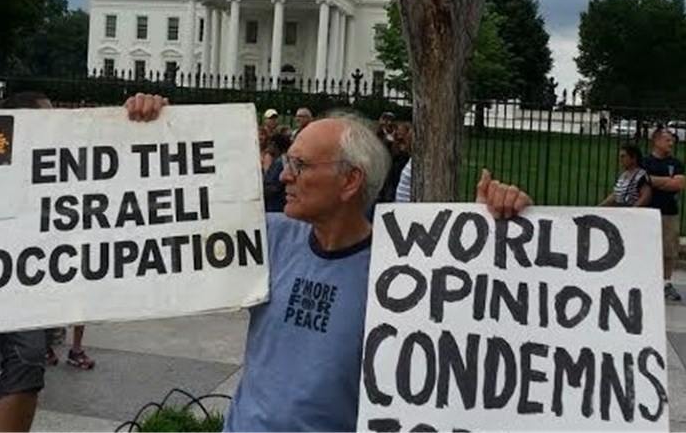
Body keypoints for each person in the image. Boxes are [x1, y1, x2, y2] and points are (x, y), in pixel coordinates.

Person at [124, 93, 533, 431]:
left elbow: (489, 336)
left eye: (299, 165)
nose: (284, 176)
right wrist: (155, 132)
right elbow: (170, 225)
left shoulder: (404, 272)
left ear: (350, 181)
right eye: (287, 163)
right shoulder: (272, 236)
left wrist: (501, 230)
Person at [0, 91, 52, 432]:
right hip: (5, 279)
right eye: (46, 118)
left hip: (30, 275)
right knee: (26, 359)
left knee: (11, 366)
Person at [643, 129, 686, 302]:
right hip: (647, 211)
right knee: (646, 249)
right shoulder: (645, 162)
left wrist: (652, 181)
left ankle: (666, 282)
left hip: (669, 212)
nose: (671, 143)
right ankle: (646, 280)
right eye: (668, 140)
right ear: (657, 141)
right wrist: (667, 181)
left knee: (669, 251)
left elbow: (679, 184)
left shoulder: (676, 163)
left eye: (672, 140)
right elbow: (639, 181)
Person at [600, 143, 652, 208]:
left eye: (623, 156)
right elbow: (615, 195)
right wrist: (600, 206)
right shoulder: (623, 176)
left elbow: (646, 197)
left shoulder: (641, 175)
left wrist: (633, 209)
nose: (620, 159)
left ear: (633, 158)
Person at [262, 134, 290, 212]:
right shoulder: (283, 160)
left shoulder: (279, 163)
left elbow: (273, 187)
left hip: (276, 206)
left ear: (274, 145)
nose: (267, 148)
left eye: (269, 144)